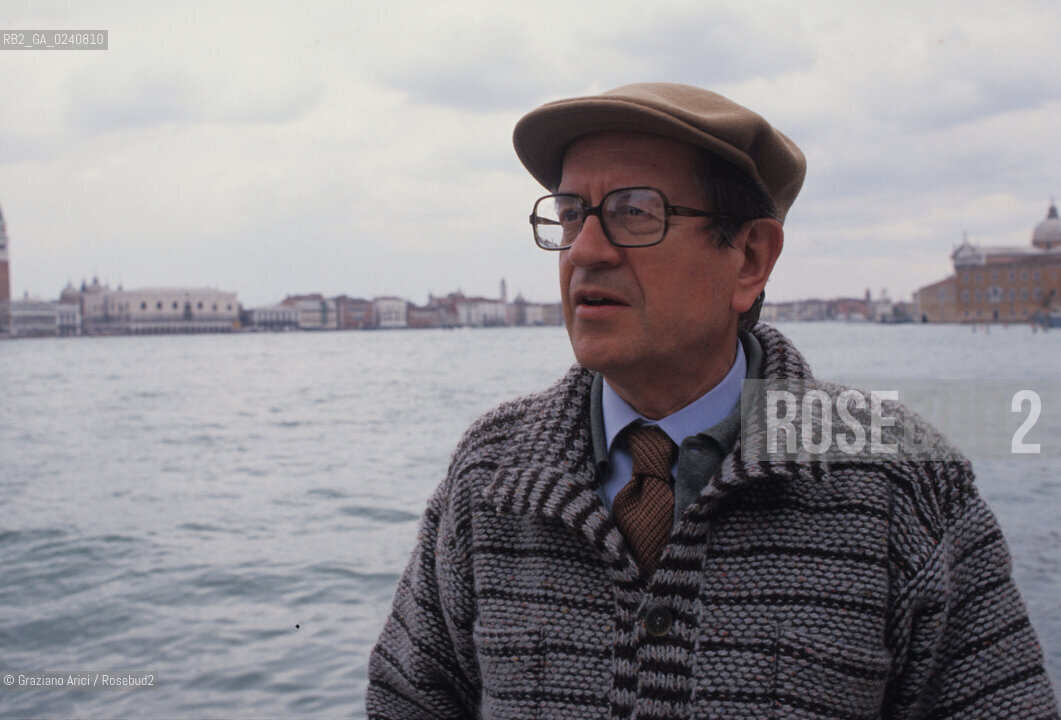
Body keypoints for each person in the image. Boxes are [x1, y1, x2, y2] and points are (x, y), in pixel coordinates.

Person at [366, 83, 1058, 719]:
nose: (584, 250)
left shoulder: (902, 481)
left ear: (750, 259)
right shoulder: (488, 474)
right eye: (571, 215)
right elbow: (406, 703)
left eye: (634, 211)